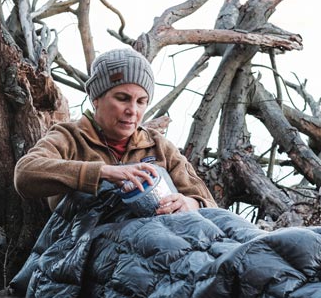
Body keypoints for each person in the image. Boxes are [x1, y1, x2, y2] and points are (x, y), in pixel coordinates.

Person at [14, 47, 217, 213]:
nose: (133, 111)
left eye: (141, 102)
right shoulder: (69, 137)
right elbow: (25, 174)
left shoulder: (159, 146)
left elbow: (208, 202)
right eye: (122, 98)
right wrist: (104, 173)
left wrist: (191, 204)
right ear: (96, 100)